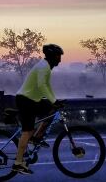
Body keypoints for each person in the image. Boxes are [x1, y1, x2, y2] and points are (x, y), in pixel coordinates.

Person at [11, 43, 64, 175]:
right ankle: (18, 163)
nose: (60, 59)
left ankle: (36, 138)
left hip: (33, 100)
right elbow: (41, 86)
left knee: (52, 113)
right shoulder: (43, 67)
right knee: (27, 131)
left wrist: (55, 101)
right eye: (58, 56)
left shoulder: (46, 67)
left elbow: (47, 85)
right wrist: (53, 101)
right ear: (52, 56)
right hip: (25, 100)